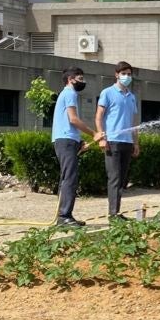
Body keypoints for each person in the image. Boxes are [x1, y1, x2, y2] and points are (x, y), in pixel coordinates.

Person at [51, 67, 104, 226]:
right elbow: (73, 119)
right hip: (65, 140)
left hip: (68, 140)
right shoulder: (70, 93)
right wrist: (93, 133)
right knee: (70, 178)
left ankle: (64, 215)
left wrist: (80, 142)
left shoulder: (67, 94)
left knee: (68, 177)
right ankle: (64, 216)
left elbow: (69, 123)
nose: (83, 82)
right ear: (70, 79)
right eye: (80, 78)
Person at [96, 61, 141, 219]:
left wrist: (136, 142)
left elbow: (134, 122)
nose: (126, 77)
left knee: (122, 179)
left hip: (127, 142)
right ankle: (113, 214)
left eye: (129, 74)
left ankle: (117, 211)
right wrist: (102, 136)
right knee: (114, 178)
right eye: (123, 74)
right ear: (116, 75)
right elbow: (99, 116)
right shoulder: (107, 93)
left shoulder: (132, 97)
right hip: (112, 141)